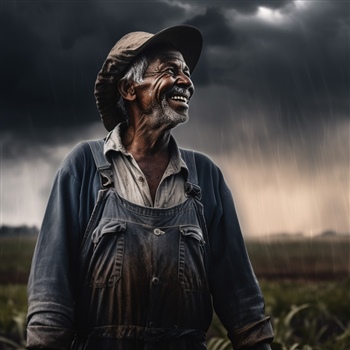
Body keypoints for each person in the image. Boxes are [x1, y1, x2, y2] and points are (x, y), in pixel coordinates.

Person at [26, 25, 274, 350]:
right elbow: (50, 298)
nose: (187, 82)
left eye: (187, 72)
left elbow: (243, 305)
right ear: (130, 89)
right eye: (171, 71)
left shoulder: (205, 177)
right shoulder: (84, 167)